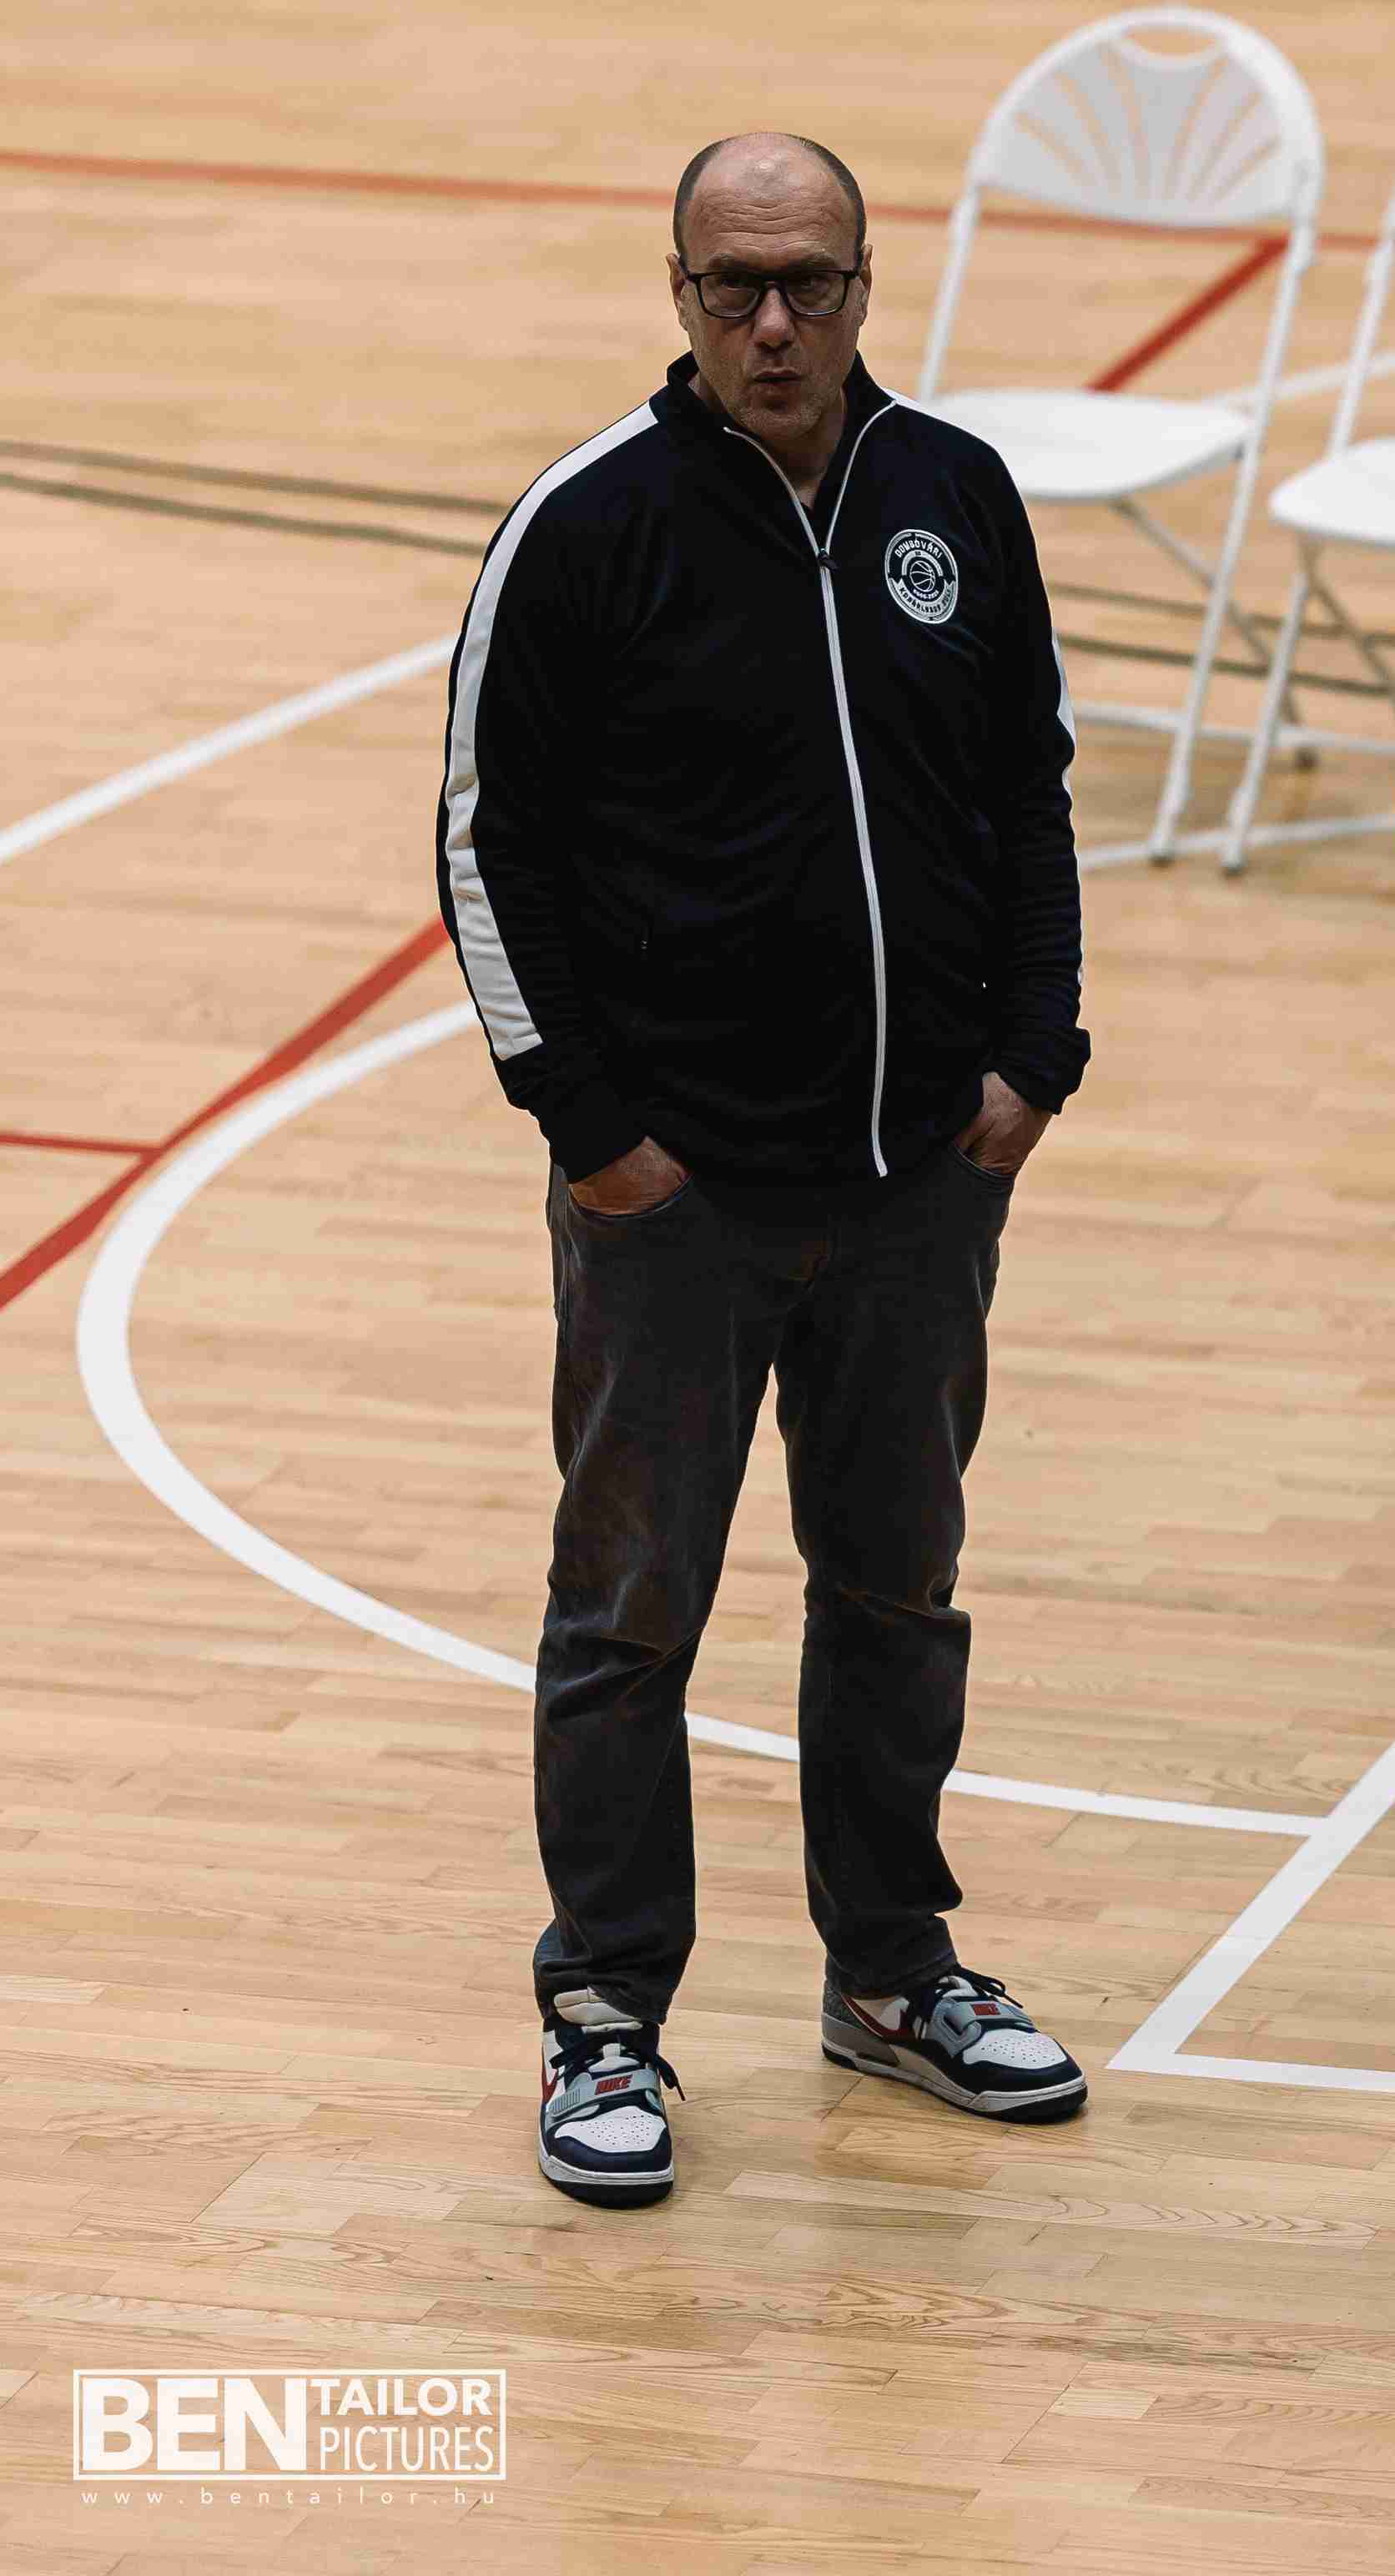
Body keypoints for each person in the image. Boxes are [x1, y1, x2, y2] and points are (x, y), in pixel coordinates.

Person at [441, 131, 1096, 2209]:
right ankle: (603, 2015)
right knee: (630, 1615)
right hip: (681, 1202)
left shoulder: (955, 497)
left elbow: (1026, 794)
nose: (777, 322)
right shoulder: (589, 525)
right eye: (735, 286)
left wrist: (1035, 1059)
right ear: (680, 296)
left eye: (811, 279)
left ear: (868, 284)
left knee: (897, 1593)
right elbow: (487, 848)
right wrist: (597, 1138)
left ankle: (890, 1974)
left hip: (917, 1185)